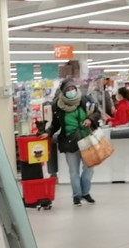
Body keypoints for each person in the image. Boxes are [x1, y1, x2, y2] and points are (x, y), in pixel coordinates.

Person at [46, 78, 99, 206]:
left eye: (73, 88)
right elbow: (55, 124)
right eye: (68, 89)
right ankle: (77, 196)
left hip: (86, 138)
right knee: (73, 171)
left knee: (89, 168)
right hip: (69, 141)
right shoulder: (57, 106)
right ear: (63, 92)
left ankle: (85, 192)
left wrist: (90, 119)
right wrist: (48, 132)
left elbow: (96, 112)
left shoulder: (84, 100)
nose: (71, 91)